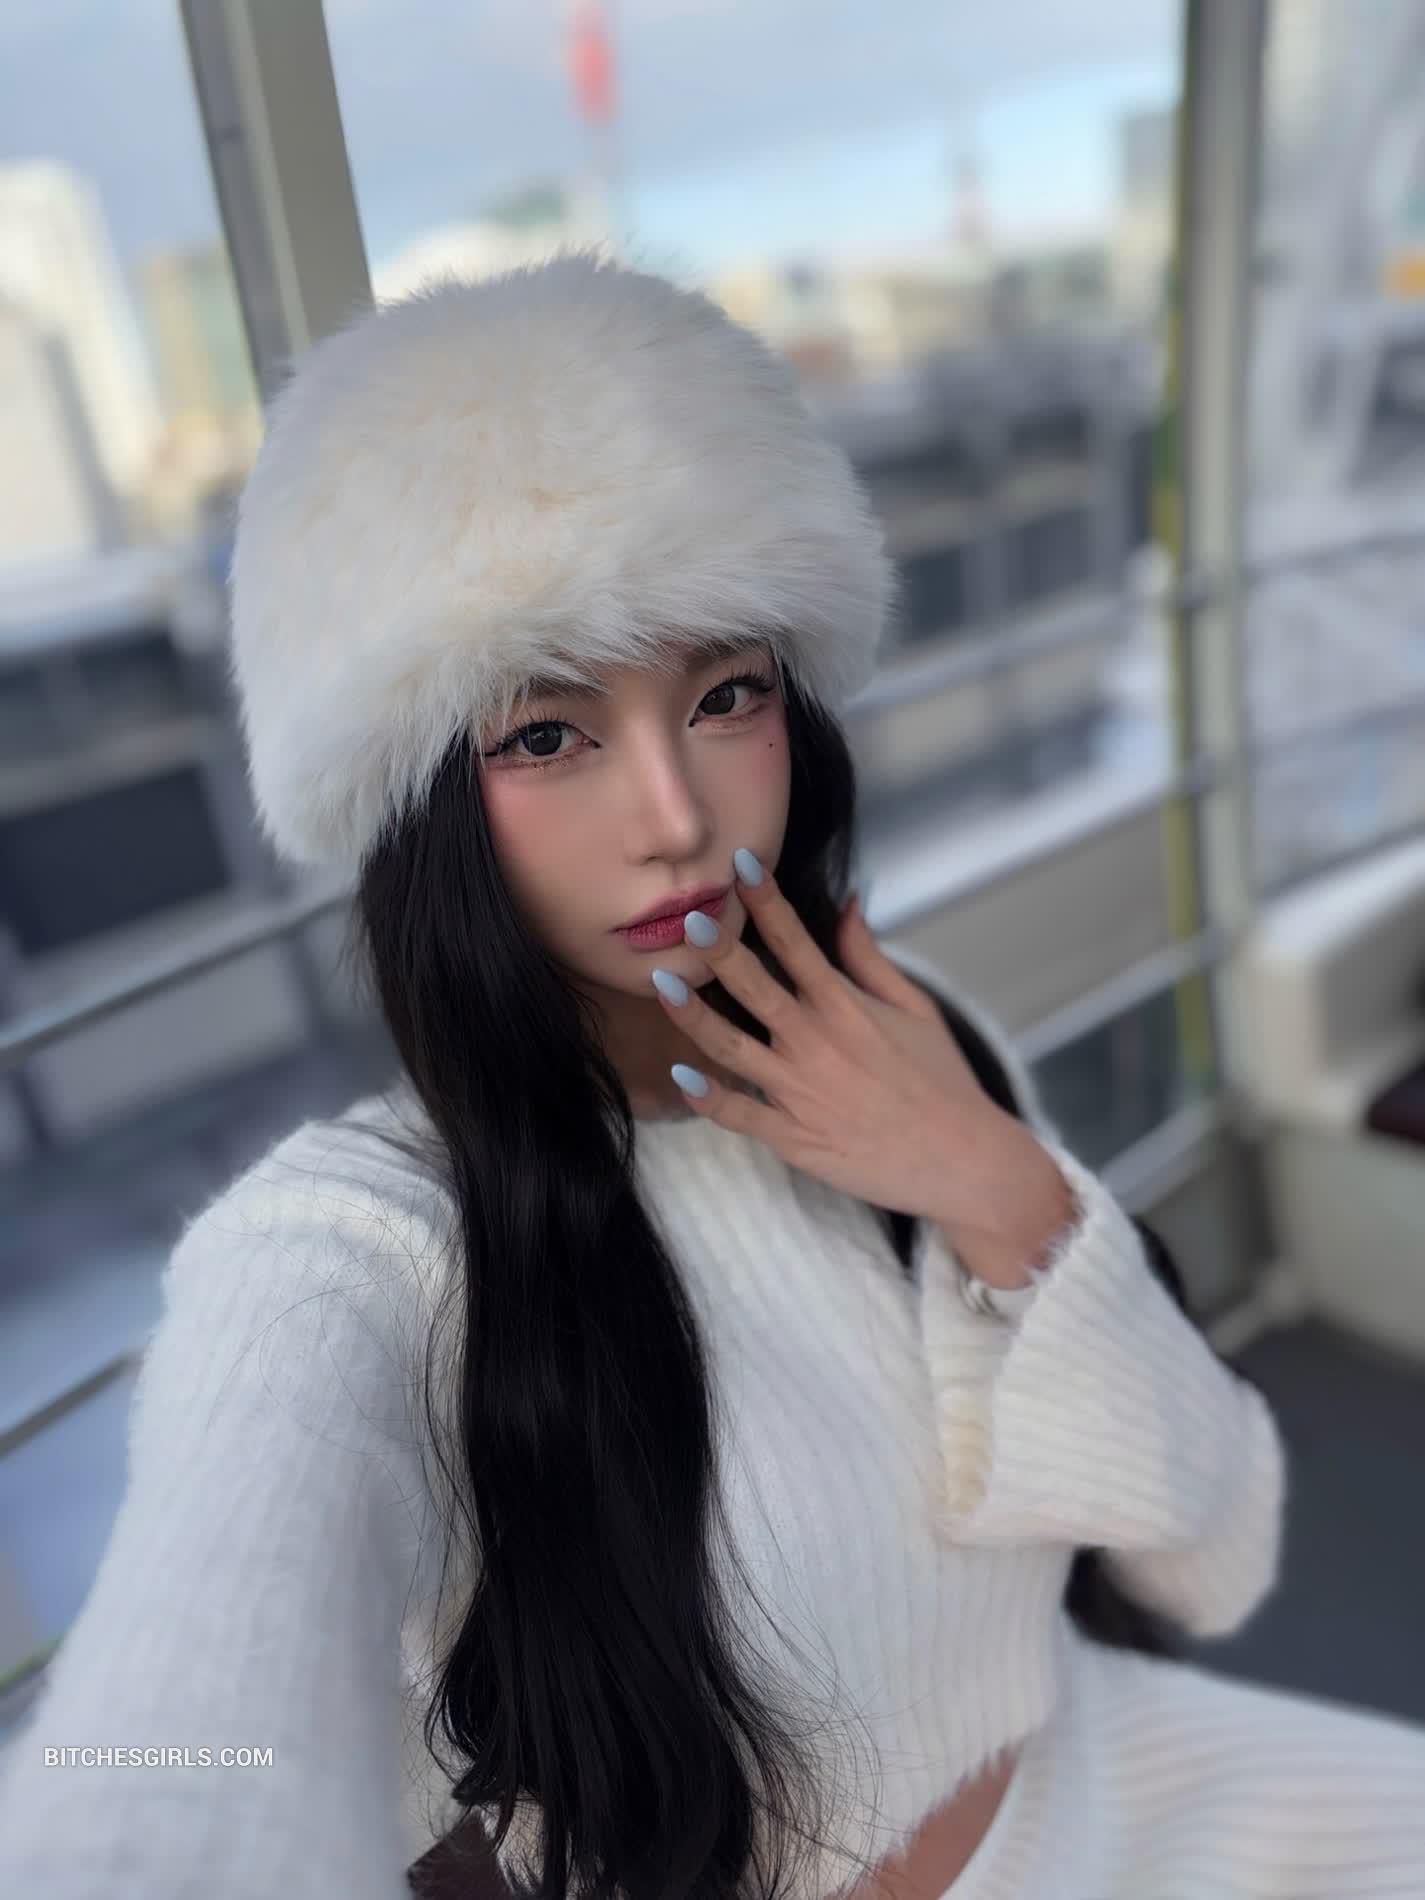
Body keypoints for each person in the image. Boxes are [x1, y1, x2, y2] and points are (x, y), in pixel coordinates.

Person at [1, 251, 1422, 1900]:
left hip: (1146, 1775)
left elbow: (1209, 1555)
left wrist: (992, 1184)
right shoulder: (357, 1249)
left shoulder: (907, 1035)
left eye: (726, 694)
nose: (674, 818)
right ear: (415, 800)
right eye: (545, 734)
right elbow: (168, 1764)